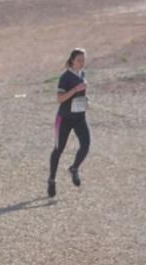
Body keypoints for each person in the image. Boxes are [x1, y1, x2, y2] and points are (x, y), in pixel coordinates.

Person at [48, 48, 90, 198]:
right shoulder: (65, 77)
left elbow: (81, 94)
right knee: (58, 149)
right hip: (64, 119)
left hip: (80, 118)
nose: (82, 63)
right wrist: (75, 90)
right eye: (79, 60)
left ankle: (74, 168)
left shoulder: (83, 74)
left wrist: (85, 100)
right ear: (72, 60)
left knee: (86, 145)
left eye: (84, 60)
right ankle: (52, 179)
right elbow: (59, 99)